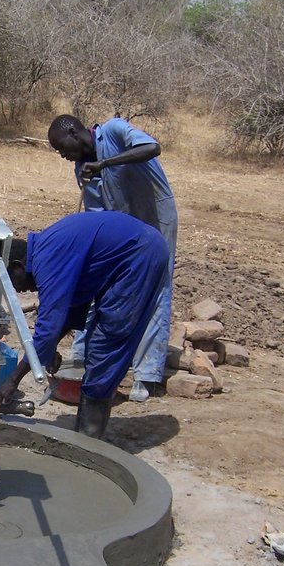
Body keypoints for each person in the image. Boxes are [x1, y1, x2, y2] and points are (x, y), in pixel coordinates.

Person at [0, 212, 168, 439]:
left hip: (140, 256)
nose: (18, 290)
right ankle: (88, 432)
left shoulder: (48, 262)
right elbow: (68, 311)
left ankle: (89, 440)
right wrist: (47, 350)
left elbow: (47, 328)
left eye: (12, 281)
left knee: (105, 343)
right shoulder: (47, 250)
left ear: (18, 266)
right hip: (135, 250)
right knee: (98, 344)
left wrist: (12, 380)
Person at [48, 114, 178, 403]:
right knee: (98, 282)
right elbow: (97, 215)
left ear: (74, 132)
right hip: (125, 231)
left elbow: (152, 148)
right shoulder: (83, 169)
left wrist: (105, 164)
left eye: (63, 148)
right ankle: (83, 356)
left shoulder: (115, 132)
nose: (64, 156)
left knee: (156, 289)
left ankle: (147, 375)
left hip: (156, 216)